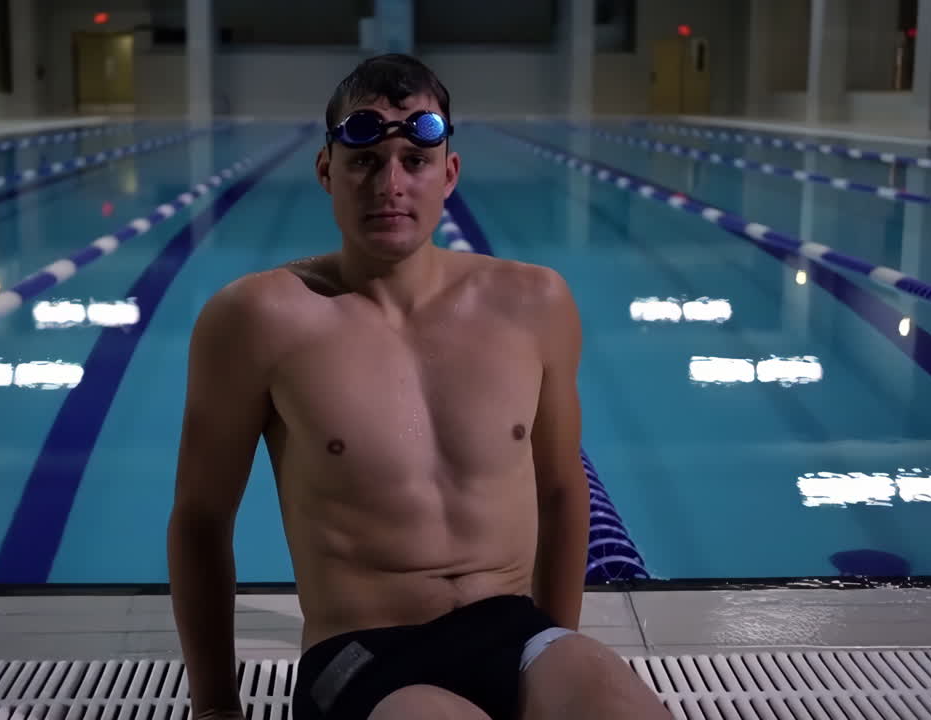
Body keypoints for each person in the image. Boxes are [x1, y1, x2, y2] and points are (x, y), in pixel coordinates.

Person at [167, 54, 671, 720]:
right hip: (362, 656)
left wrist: (555, 650)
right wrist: (214, 707)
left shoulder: (533, 302)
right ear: (327, 171)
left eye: (415, 161)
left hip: (512, 633)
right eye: (366, 162)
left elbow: (560, 487)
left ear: (449, 174)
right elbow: (202, 522)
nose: (391, 185)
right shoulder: (258, 320)